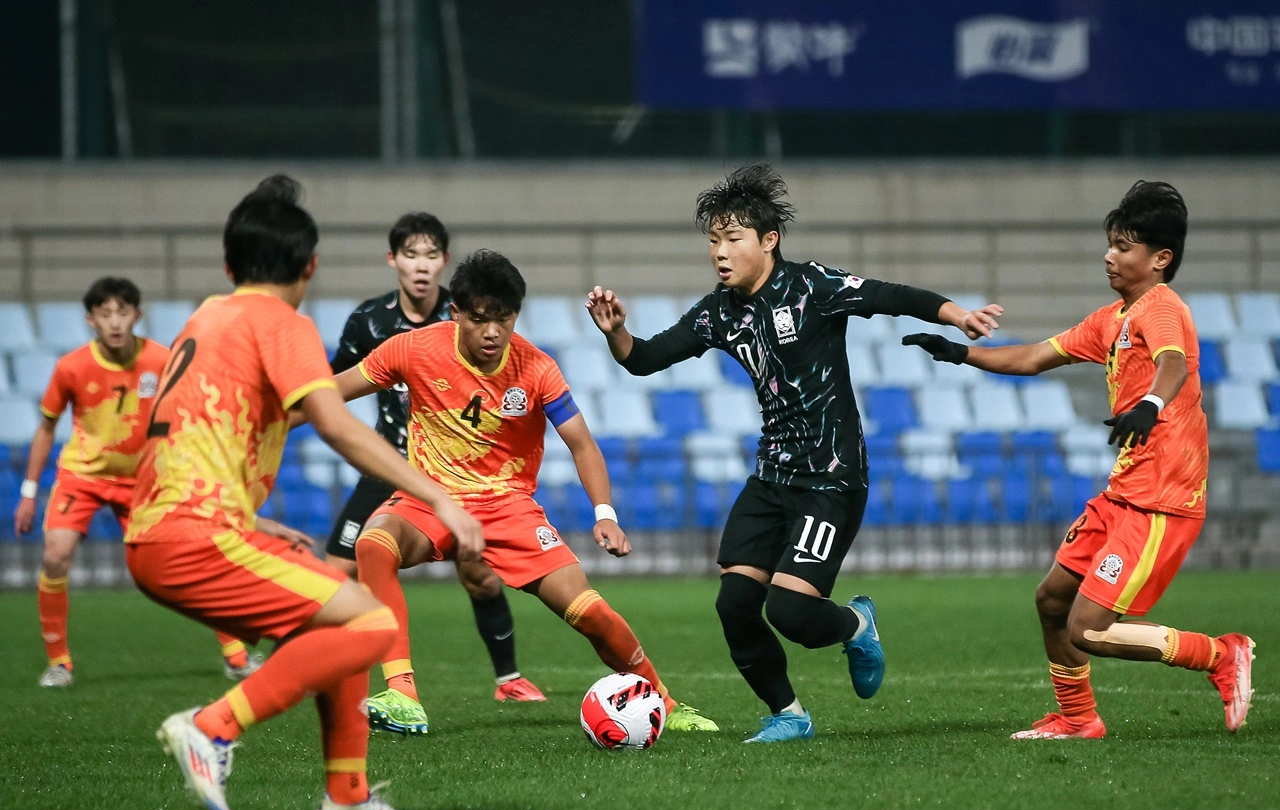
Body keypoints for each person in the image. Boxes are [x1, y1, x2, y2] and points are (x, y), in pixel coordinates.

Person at [585, 163, 1003, 743]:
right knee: (734, 604)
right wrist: (614, 331)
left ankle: (857, 625)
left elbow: (887, 295)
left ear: (768, 241)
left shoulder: (811, 288)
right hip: (772, 475)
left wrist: (957, 313)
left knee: (790, 613)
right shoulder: (718, 310)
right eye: (713, 241)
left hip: (830, 479)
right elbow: (644, 358)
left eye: (732, 239)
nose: (719, 253)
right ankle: (789, 715)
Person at [124, 175, 483, 810]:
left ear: (229, 264)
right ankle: (212, 727)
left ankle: (346, 798)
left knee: (337, 615)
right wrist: (442, 498)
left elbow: (185, 446)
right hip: (195, 538)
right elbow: (337, 424)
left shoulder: (205, 318)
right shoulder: (280, 322)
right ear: (310, 266)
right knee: (370, 626)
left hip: (162, 529)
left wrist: (254, 521)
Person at [903, 180, 1254, 739]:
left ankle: (1219, 654)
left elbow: (1173, 365)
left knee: (1087, 628)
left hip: (1162, 499)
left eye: (1125, 246)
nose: (1110, 255)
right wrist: (961, 353)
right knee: (1051, 601)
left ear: (1160, 259)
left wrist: (1151, 404)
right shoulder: (1112, 319)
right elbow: (1035, 356)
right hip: (1123, 494)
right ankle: (1077, 717)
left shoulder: (1162, 309)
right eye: (1111, 243)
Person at [325, 248, 718, 736]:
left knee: (590, 613)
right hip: (432, 500)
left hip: (509, 510)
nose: (492, 332)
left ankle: (665, 702)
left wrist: (605, 513)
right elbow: (328, 392)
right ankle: (403, 695)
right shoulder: (413, 349)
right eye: (479, 319)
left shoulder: (536, 368)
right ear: (456, 314)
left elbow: (582, 444)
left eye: (504, 319)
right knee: (373, 542)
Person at [325, 213, 543, 718]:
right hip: (388, 468)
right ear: (393, 260)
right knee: (340, 570)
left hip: (456, 477)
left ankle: (508, 677)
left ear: (443, 261)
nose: (420, 266)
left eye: (430, 255)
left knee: (479, 575)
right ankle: (341, 670)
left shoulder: (469, 313)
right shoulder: (369, 321)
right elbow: (332, 385)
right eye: (410, 254)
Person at [15, 277, 261, 687]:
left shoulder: (162, 360)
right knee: (55, 556)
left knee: (191, 558)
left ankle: (235, 656)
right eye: (105, 314)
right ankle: (59, 662)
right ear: (90, 319)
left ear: (138, 315)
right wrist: (28, 491)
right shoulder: (71, 367)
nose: (114, 322)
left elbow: (187, 414)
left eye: (122, 312)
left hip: (144, 480)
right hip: (83, 475)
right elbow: (46, 427)